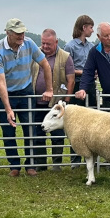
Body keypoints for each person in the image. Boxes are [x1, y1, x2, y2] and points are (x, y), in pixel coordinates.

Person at [0, 18, 53, 177]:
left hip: (26, 91)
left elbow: (45, 64)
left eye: (23, 32)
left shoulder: (29, 43)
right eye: (17, 33)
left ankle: (30, 165)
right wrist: (8, 108)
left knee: (30, 128)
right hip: (6, 93)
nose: (21, 36)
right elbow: (1, 82)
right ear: (8, 33)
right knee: (8, 130)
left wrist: (49, 89)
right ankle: (14, 165)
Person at [32, 28, 75, 169]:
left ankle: (57, 163)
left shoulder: (65, 57)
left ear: (56, 42)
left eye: (48, 44)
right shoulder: (35, 53)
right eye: (43, 43)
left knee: (57, 134)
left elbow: (71, 80)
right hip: (37, 101)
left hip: (56, 103)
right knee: (38, 133)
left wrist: (66, 101)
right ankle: (41, 163)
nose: (45, 47)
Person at [65, 15, 96, 108]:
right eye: (91, 27)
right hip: (76, 85)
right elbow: (67, 69)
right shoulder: (70, 46)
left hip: (90, 84)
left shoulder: (91, 46)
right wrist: (84, 72)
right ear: (84, 27)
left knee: (92, 111)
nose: (92, 30)